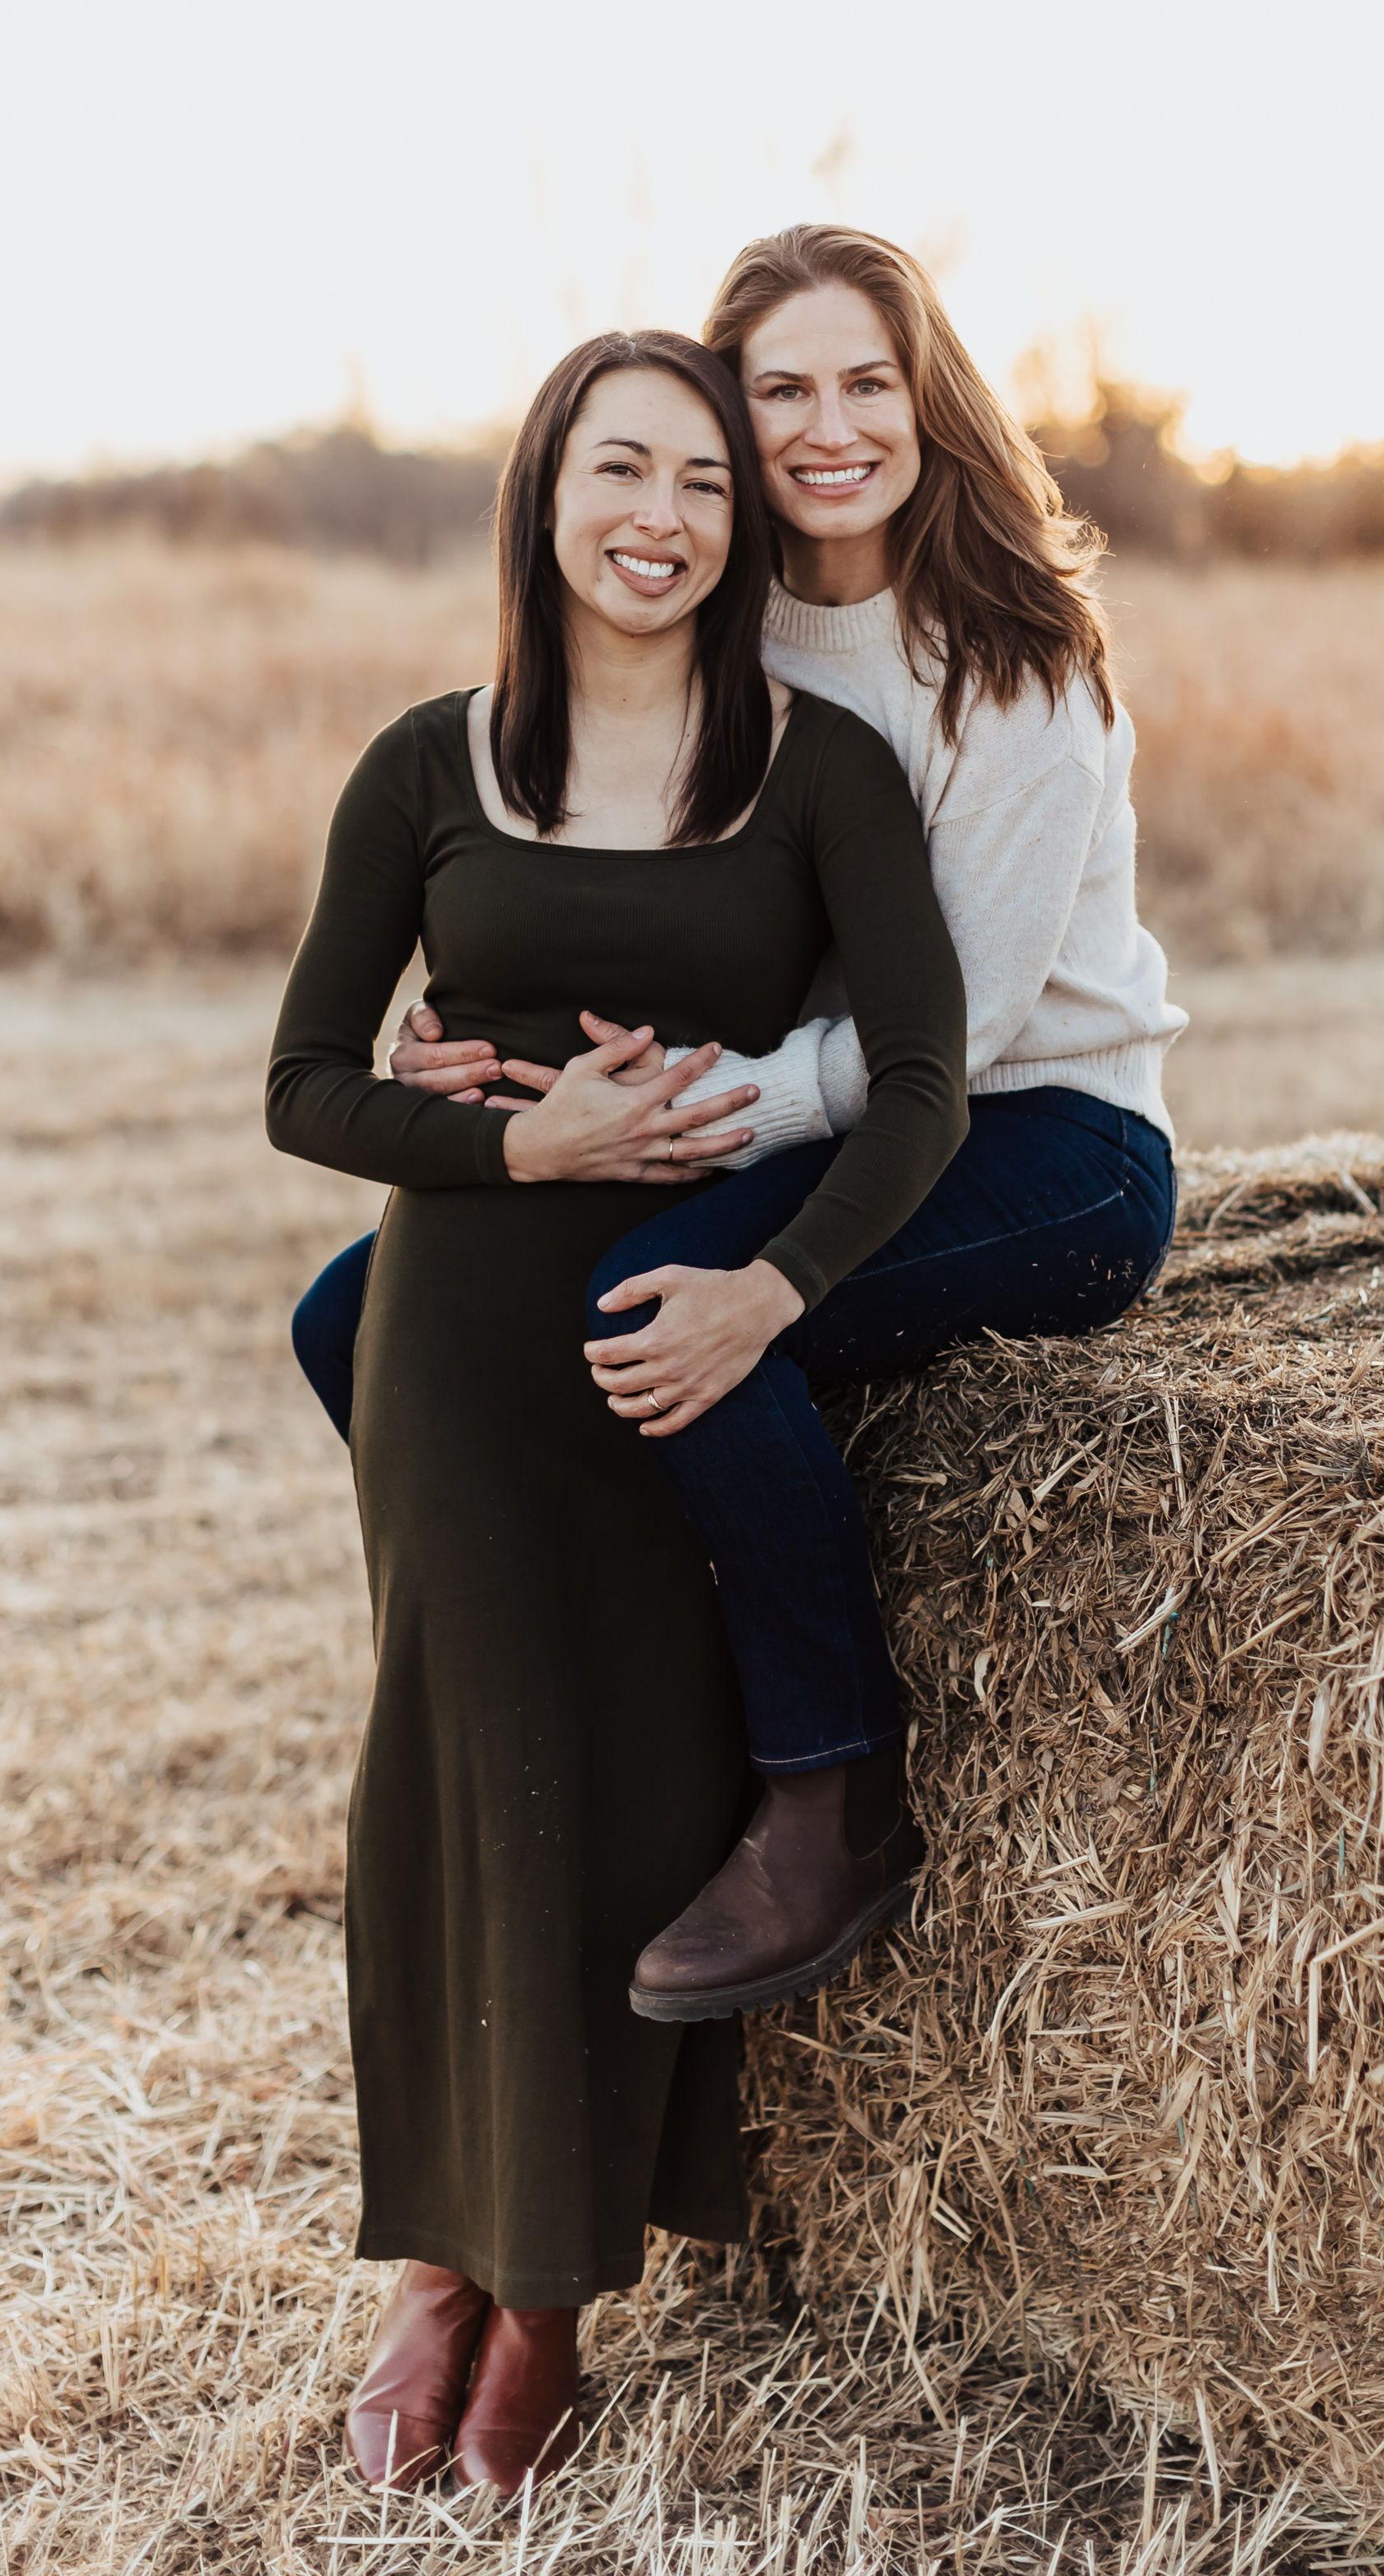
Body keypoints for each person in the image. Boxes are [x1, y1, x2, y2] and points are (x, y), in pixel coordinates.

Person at [292, 226, 1187, 2020]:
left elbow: (970, 1031)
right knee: (350, 1313)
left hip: (1041, 1142)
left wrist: (694, 1120)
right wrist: (478, 1032)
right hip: (787, 1111)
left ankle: (830, 1782)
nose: (828, 423)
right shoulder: (728, 612)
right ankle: (567, 1658)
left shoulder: (1011, 667)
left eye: (868, 380)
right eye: (781, 389)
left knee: (668, 1293)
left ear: (930, 399)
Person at [263, 328, 966, 2497]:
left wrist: (774, 1294)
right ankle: (435, 2271)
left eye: (702, 484)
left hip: (677, 1339)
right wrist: (513, 1153)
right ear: (546, 497)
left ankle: (553, 2292)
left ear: (743, 529)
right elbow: (308, 1088)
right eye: (619, 471)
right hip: (465, 1332)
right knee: (452, 1779)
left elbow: (928, 1087)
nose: (661, 516)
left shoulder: (814, 767)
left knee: (622, 1787)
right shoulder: (424, 768)